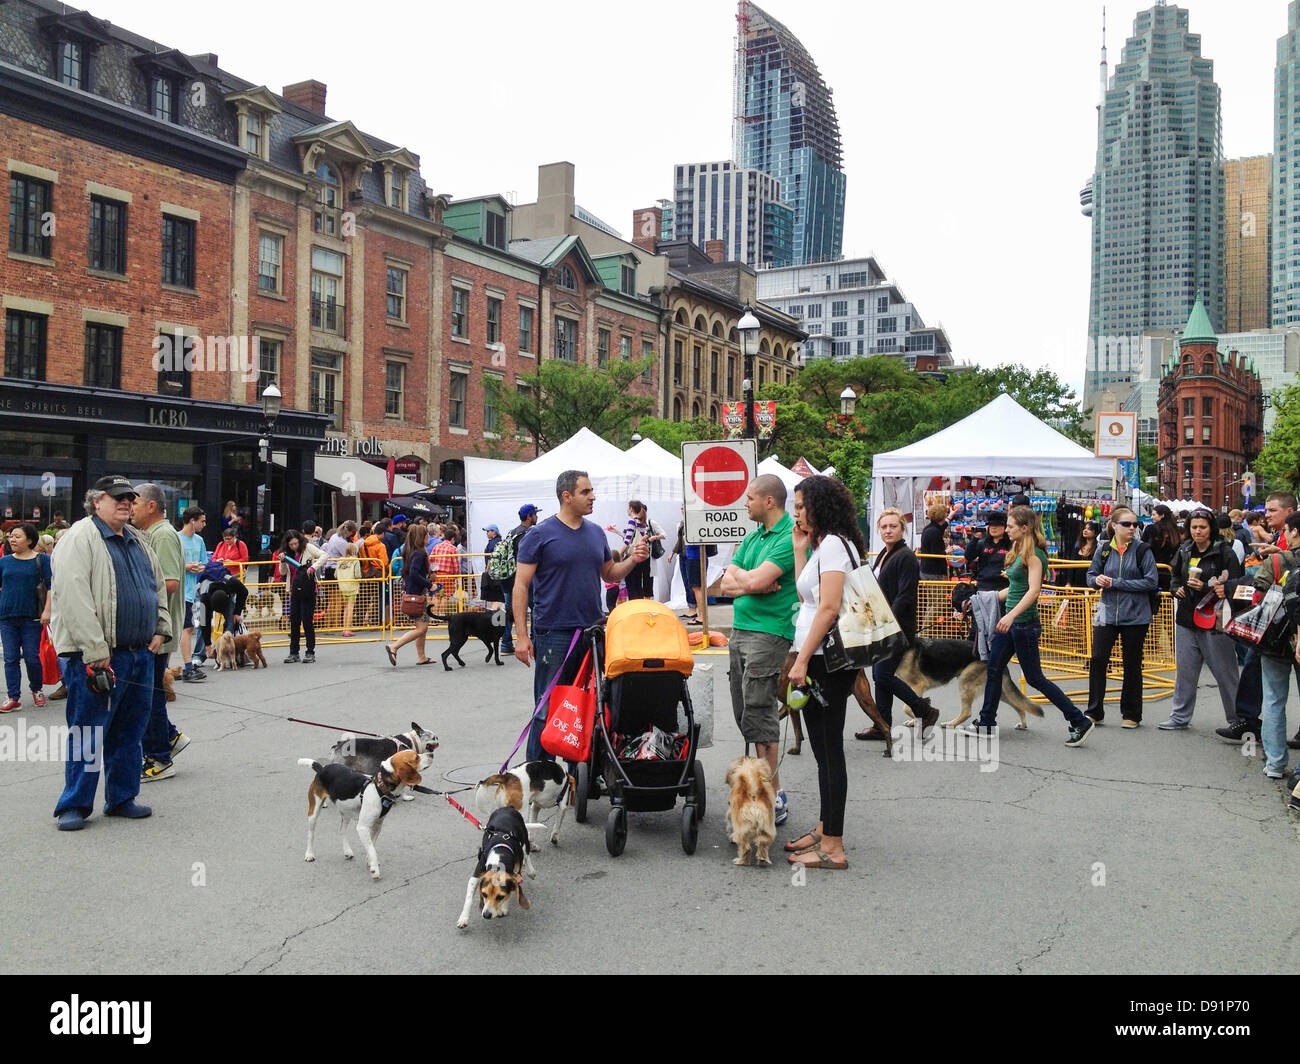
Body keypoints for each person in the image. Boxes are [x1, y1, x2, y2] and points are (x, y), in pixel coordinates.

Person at [50, 476, 171, 830]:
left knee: (129, 731)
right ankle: (73, 804)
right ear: (96, 501)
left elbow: (157, 586)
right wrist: (95, 650)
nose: (125, 503)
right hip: (97, 657)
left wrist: (160, 628)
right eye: (117, 497)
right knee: (88, 731)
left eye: (130, 498)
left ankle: (121, 797)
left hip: (138, 653)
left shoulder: (137, 538)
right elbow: (72, 597)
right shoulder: (79, 538)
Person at [513, 471, 647, 762]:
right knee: (546, 709)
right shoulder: (540, 534)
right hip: (554, 633)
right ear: (567, 496)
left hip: (591, 632)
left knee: (587, 705)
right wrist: (522, 637)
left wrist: (633, 560)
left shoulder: (596, 532)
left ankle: (576, 777)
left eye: (591, 491)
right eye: (586, 492)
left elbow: (609, 574)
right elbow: (521, 585)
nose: (593, 497)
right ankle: (537, 776)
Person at [962, 506, 1095, 745]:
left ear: (1024, 528)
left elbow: (1034, 591)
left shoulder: (1034, 555)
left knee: (1035, 678)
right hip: (1013, 623)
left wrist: (1010, 615)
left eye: (1011, 526)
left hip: (1023, 625)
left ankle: (1078, 719)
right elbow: (1014, 589)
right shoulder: (1018, 549)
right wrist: (981, 600)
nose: (1007, 529)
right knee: (993, 670)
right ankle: (986, 722)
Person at [784, 476, 864, 871]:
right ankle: (824, 827)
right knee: (822, 750)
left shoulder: (834, 546)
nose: (795, 513)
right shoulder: (826, 545)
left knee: (829, 751)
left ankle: (833, 846)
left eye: (800, 506)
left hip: (824, 662)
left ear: (819, 506)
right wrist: (801, 550)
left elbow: (829, 608)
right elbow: (807, 596)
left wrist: (801, 661)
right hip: (816, 657)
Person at [718, 474, 799, 825]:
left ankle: (773, 793)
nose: (744, 503)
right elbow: (727, 581)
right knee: (744, 711)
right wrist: (757, 587)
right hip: (741, 631)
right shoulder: (752, 536)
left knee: (760, 710)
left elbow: (747, 580)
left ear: (769, 501)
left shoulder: (788, 537)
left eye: (750, 498)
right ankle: (759, 786)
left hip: (769, 633)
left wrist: (750, 582)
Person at [1217, 491, 1297, 744]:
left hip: (1285, 625)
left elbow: (1260, 588)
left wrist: (1234, 587)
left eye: (1273, 510)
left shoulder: (1285, 545)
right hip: (1274, 624)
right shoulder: (1278, 541)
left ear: (1290, 513)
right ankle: (1248, 720)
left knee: (1271, 690)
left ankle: (1267, 747)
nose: (1267, 515)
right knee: (1253, 667)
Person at [1160, 509, 1243, 732]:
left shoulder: (1225, 552)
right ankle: (1179, 717)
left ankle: (1237, 719)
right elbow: (1174, 576)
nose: (1198, 531)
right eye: (1194, 527)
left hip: (1215, 620)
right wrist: (1176, 588)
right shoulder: (1185, 549)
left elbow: (1236, 585)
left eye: (1203, 527)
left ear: (1211, 529)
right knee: (1185, 671)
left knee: (1225, 672)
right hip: (1187, 618)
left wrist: (1207, 587)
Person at [130, 484, 192, 783]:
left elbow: (170, 583)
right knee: (149, 691)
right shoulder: (153, 534)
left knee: (150, 694)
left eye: (136, 502)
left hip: (159, 628)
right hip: (154, 625)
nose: (131, 507)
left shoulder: (164, 535)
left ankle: (160, 758)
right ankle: (168, 738)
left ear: (152, 506)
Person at [860, 507, 936, 741]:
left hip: (897, 627)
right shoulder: (885, 553)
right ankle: (882, 725)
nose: (888, 530)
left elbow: (905, 596)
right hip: (883, 625)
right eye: (883, 526)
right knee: (882, 676)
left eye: (893, 526)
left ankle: (924, 709)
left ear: (902, 528)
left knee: (882, 676)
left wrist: (887, 623)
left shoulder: (905, 557)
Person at [1085, 505, 1158, 727]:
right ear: (1114, 526)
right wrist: (1096, 581)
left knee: (1132, 663)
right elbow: (1090, 575)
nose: (1132, 528)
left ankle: (1132, 714)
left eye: (1135, 524)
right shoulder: (1103, 549)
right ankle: (1094, 710)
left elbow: (1151, 581)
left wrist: (1117, 583)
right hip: (1106, 613)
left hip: (1136, 615)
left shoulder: (1143, 550)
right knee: (1098, 660)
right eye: (1127, 524)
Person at [0, 523, 53, 712]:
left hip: (32, 618)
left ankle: (36, 689)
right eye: (10, 536)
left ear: (29, 540)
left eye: (17, 536)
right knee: (10, 658)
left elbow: (51, 588)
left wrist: (47, 611)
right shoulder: (4, 561)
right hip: (7, 617)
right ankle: (13, 697)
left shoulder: (42, 560)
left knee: (32, 657)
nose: (12, 539)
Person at [964, 511, 1012, 659]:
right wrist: (973, 539)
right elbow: (968, 556)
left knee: (996, 627)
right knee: (978, 626)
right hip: (982, 589)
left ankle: (995, 656)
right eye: (991, 525)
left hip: (1001, 591)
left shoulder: (1011, 544)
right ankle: (974, 657)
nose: (994, 528)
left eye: (997, 525)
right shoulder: (982, 542)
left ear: (1004, 527)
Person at [387, 523, 433, 666]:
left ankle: (422, 656)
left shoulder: (410, 551)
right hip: (417, 595)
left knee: (422, 627)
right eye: (426, 534)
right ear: (422, 537)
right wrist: (430, 584)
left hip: (413, 593)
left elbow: (412, 573)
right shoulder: (419, 553)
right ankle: (394, 646)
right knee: (421, 628)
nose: (429, 537)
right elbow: (414, 574)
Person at [500, 503, 540, 655]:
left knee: (509, 610)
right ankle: (534, 640)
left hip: (508, 578)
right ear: (529, 516)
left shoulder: (513, 532)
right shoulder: (528, 534)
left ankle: (505, 643)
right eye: (535, 514)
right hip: (523, 579)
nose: (537, 517)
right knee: (535, 607)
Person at [177, 506, 208, 684]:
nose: (204, 524)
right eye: (202, 521)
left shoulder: (199, 541)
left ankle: (185, 667)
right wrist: (186, 567)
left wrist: (199, 567)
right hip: (177, 590)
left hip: (191, 591)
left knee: (186, 628)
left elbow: (204, 563)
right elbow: (168, 563)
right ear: (192, 521)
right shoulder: (176, 538)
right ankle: (188, 667)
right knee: (185, 628)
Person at [279, 530, 320, 664]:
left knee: (307, 621)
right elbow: (282, 572)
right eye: (291, 544)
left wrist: (313, 567)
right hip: (294, 590)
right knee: (294, 622)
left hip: (308, 589)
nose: (294, 547)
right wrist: (282, 561)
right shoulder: (288, 553)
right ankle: (294, 652)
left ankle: (310, 652)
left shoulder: (308, 547)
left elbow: (324, 555)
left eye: (295, 543)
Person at [620, 500, 664, 600]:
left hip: (633, 556)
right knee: (638, 586)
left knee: (632, 586)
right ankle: (641, 609)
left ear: (631, 508)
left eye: (628, 507)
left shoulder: (632, 521)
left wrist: (618, 554)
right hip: (641, 555)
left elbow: (627, 541)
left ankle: (635, 610)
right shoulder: (642, 522)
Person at [1141, 504, 1180, 593]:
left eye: (1154, 514)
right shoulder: (1175, 531)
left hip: (1151, 571)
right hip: (1169, 572)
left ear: (1162, 515)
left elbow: (1142, 547)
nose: (1151, 517)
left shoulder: (1151, 529)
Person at [1064, 521, 1102, 589]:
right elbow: (1071, 567)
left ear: (1095, 532)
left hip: (1091, 587)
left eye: (1089, 529)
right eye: (1084, 528)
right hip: (1076, 586)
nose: (1085, 531)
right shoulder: (1077, 547)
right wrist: (1068, 583)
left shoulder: (1098, 549)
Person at [337, 542, 361, 637]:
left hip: (342, 585)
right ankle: (348, 629)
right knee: (351, 607)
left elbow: (336, 574)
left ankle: (344, 628)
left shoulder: (340, 560)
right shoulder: (355, 560)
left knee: (346, 607)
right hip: (352, 585)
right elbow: (357, 575)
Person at [479, 524, 504, 603]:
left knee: (494, 597)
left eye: (488, 531)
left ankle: (495, 613)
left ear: (494, 532)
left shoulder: (493, 543)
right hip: (499, 572)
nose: (486, 533)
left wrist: (487, 570)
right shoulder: (499, 541)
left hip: (492, 573)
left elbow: (491, 557)